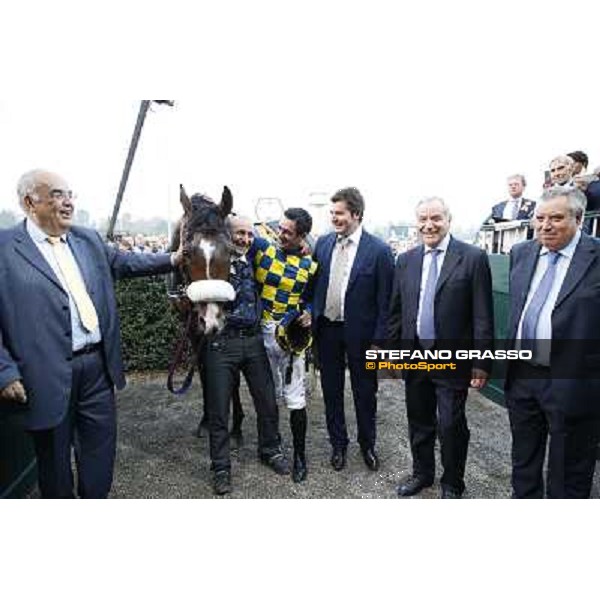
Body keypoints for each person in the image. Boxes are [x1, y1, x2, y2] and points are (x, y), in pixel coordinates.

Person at [0, 169, 183, 499]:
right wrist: (4, 371)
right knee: (54, 466)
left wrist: (174, 258)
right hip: (42, 375)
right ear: (30, 202)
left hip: (98, 370)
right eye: (57, 194)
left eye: (70, 194)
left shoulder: (88, 240)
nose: (68, 202)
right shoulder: (4, 248)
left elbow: (128, 262)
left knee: (99, 456)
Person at [388, 197, 494, 498]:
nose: (428, 225)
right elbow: (396, 311)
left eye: (435, 218)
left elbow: (483, 315)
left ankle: (452, 482)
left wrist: (481, 362)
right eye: (422, 219)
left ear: (449, 220)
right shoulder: (406, 260)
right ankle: (422, 474)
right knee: (419, 420)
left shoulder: (472, 257)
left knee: (450, 424)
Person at [505, 186, 600, 498]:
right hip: (522, 377)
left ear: (579, 218)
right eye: (540, 218)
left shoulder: (596, 256)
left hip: (573, 382)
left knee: (567, 472)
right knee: (523, 462)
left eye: (556, 218)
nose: (545, 226)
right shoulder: (521, 253)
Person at [202, 214, 289, 495]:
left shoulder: (255, 258)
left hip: (252, 342)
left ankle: (270, 450)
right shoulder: (211, 264)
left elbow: (266, 242)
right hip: (220, 344)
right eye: (239, 233)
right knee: (218, 411)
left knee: (267, 401)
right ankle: (221, 468)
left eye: (249, 235)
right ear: (226, 235)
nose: (245, 239)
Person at [312, 187, 395, 472]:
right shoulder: (322, 244)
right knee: (331, 391)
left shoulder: (380, 251)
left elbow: (386, 302)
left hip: (364, 337)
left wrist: (380, 342)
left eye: (340, 213)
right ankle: (339, 444)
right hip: (327, 331)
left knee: (365, 392)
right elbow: (314, 287)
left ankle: (367, 444)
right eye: (332, 213)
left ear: (356, 214)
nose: (334, 218)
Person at [247, 209, 317, 483]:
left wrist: (309, 311)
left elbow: (311, 299)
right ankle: (272, 450)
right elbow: (237, 233)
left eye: (288, 232)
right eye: (280, 228)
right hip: (261, 336)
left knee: (296, 401)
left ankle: (300, 456)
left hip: (291, 338)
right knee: (267, 400)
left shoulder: (312, 266)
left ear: (302, 236)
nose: (281, 234)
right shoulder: (263, 248)